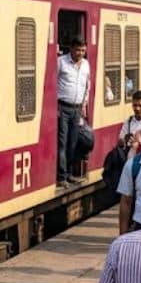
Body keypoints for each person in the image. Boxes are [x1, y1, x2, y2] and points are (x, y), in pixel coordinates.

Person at [56, 37, 90, 187]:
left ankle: (69, 174)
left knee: (73, 143)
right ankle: (62, 176)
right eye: (77, 50)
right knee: (62, 143)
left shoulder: (86, 65)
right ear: (71, 49)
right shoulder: (61, 62)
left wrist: (84, 104)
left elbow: (87, 86)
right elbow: (53, 81)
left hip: (77, 108)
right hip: (63, 107)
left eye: (83, 50)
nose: (80, 53)